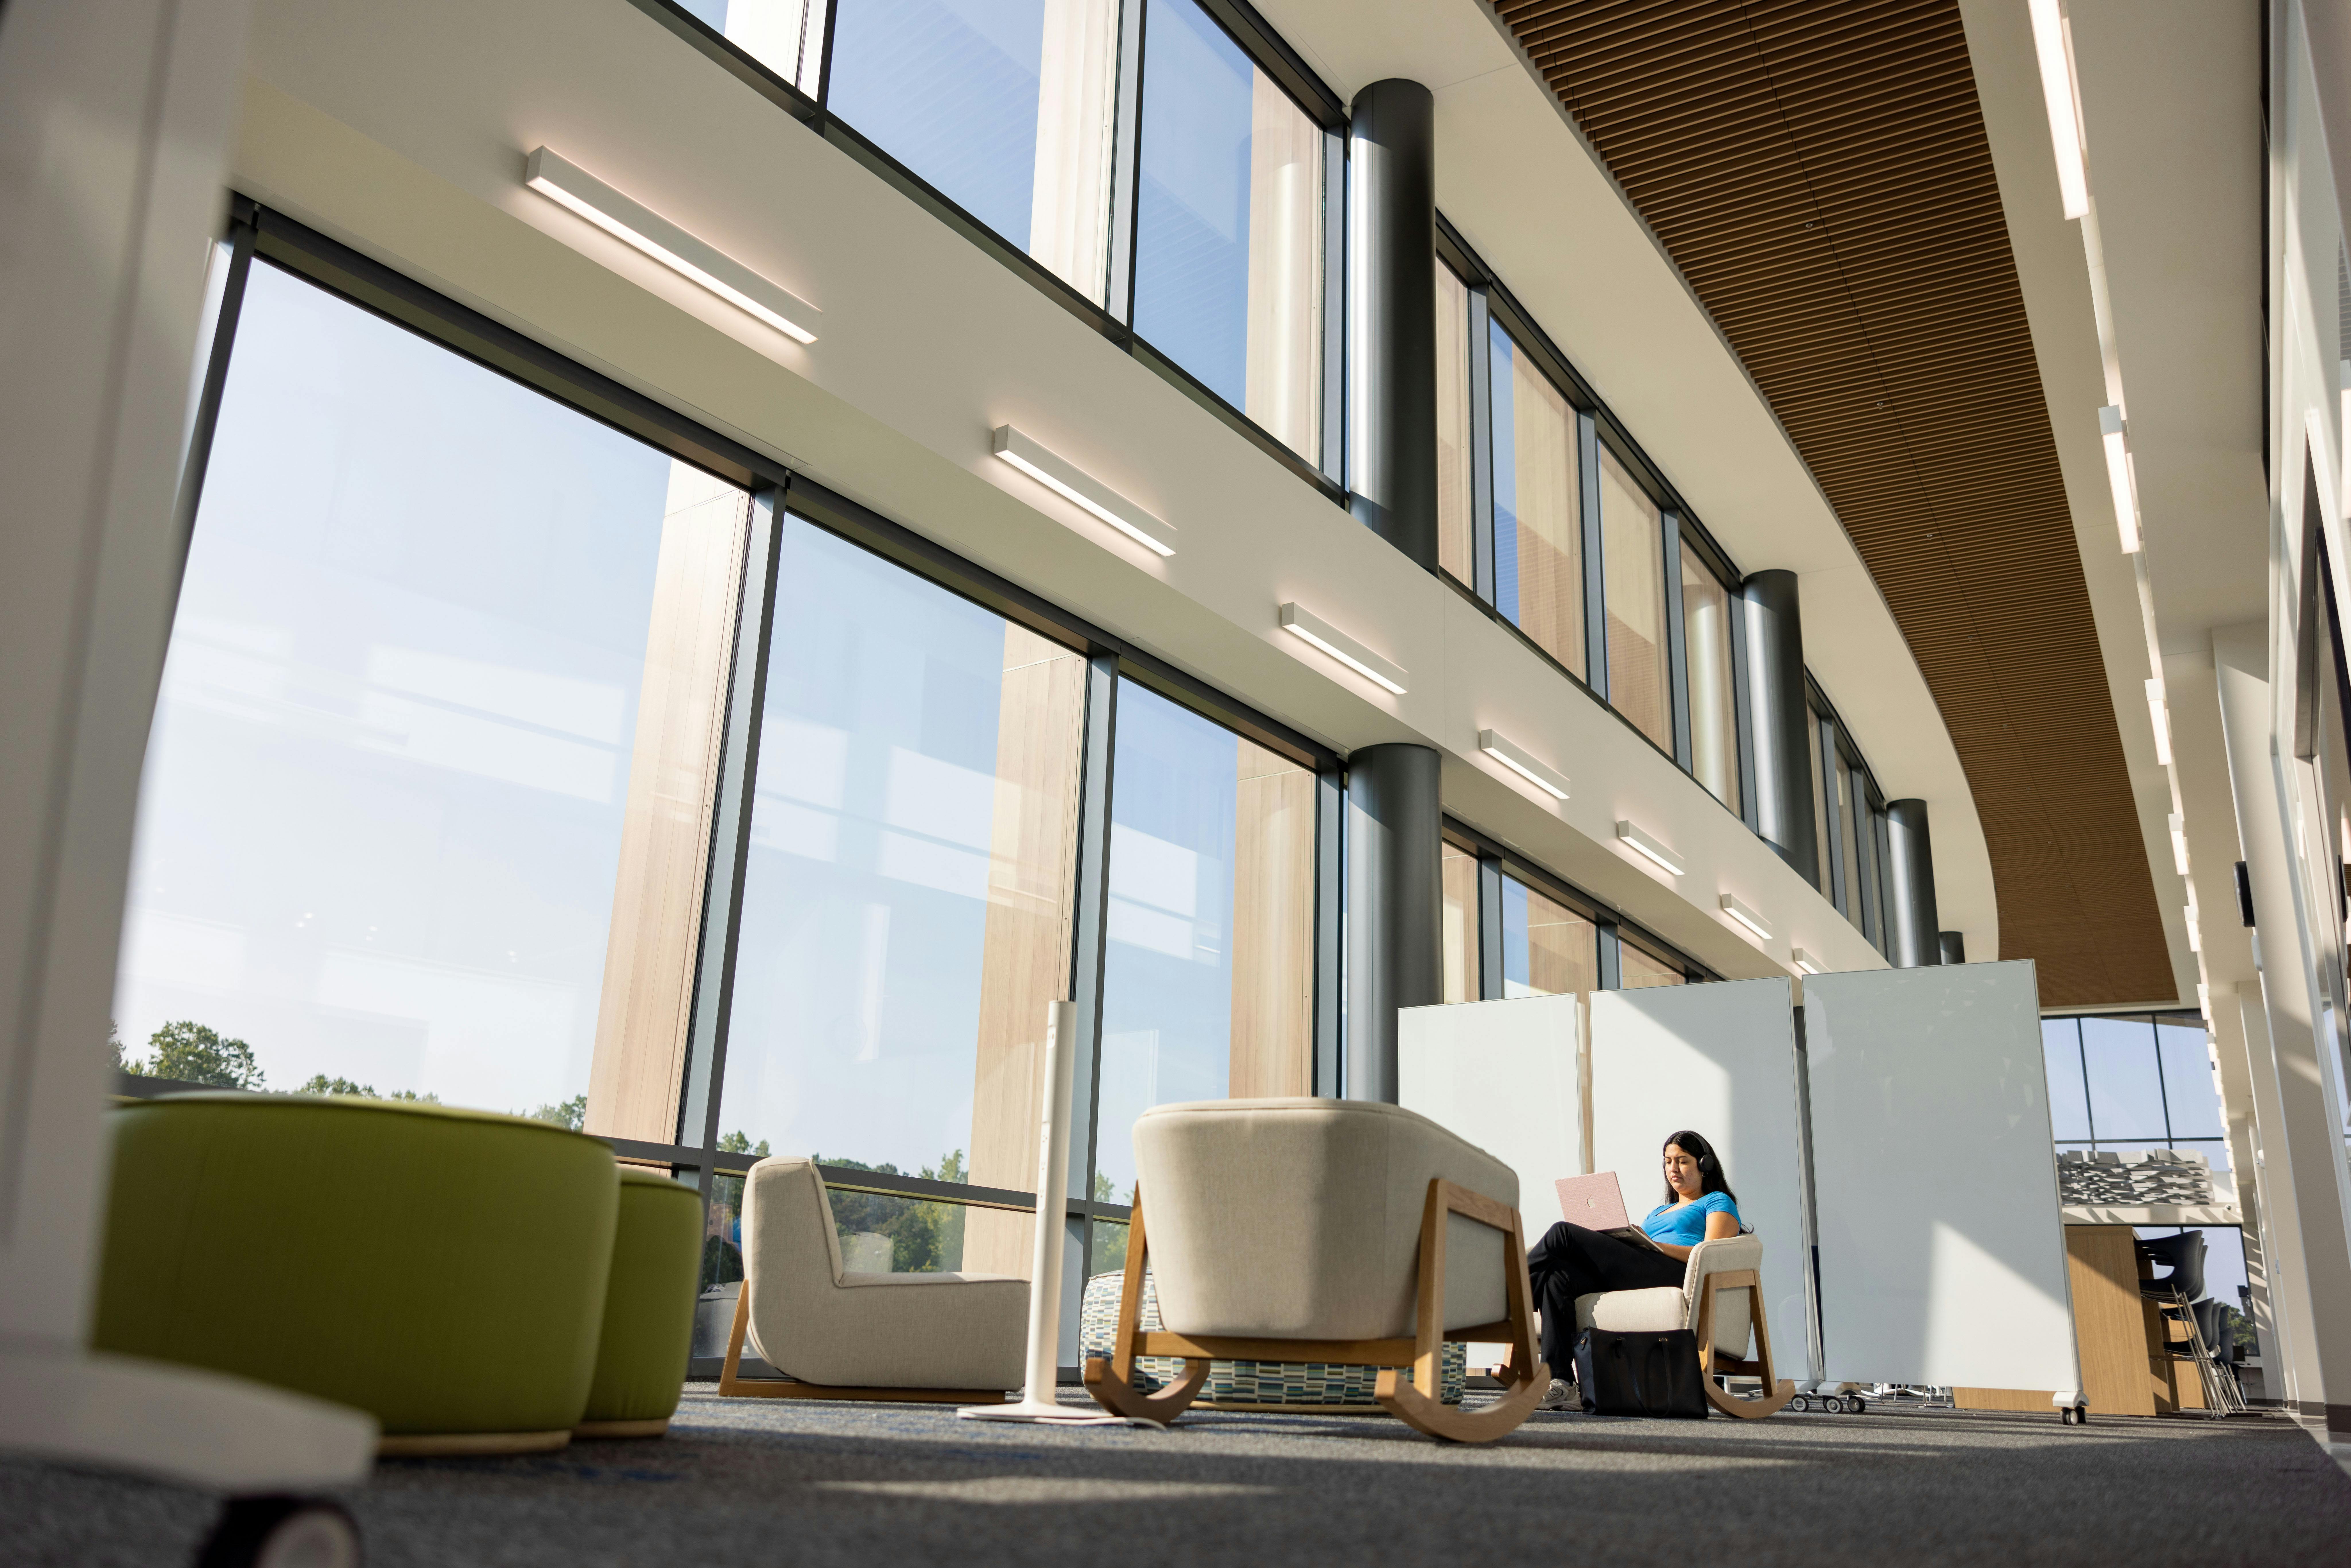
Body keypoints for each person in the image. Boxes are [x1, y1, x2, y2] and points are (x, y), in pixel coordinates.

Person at [1520, 1130, 1743, 1411]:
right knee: (1557, 1278)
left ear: (1704, 1164)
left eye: (1682, 1161)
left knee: (1562, 1233)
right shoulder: (1658, 1212)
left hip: (1675, 1273)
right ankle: (1562, 1384)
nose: (1673, 1169)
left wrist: (1656, 1247)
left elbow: (1710, 1254)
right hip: (1641, 1269)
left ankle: (1508, 1292)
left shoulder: (1716, 1201)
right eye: (1668, 1161)